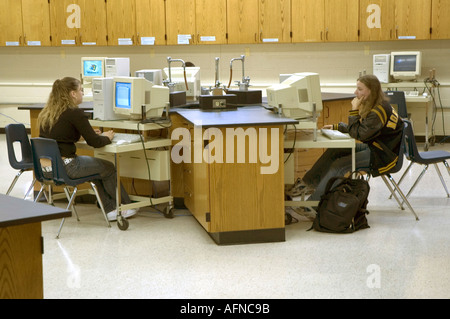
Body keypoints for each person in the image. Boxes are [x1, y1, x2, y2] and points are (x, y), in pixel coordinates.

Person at [286, 74, 404, 201]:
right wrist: (338, 126)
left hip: (384, 156)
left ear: (371, 91)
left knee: (339, 165)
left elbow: (359, 134)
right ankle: (307, 184)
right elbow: (361, 129)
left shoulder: (377, 112)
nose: (355, 92)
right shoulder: (379, 104)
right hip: (378, 148)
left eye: (360, 89)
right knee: (335, 150)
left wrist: (354, 110)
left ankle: (314, 205)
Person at [38, 77, 137, 221]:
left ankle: (110, 209)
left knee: (96, 171)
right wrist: (107, 137)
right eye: (80, 90)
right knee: (108, 168)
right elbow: (95, 142)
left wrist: (84, 135)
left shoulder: (47, 114)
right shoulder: (75, 113)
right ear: (72, 94)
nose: (82, 93)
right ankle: (125, 207)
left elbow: (60, 137)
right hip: (66, 168)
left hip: (46, 170)